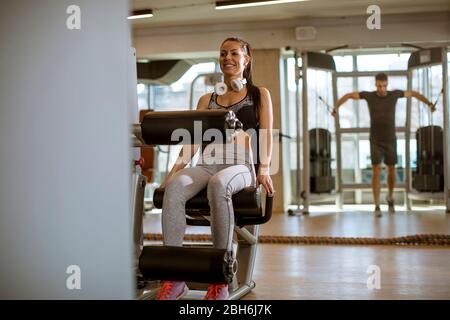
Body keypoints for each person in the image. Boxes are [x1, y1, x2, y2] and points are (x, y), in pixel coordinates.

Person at [156, 37, 275, 300]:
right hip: (207, 163)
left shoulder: (259, 94)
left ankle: (220, 279)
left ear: (247, 59)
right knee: (176, 187)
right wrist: (172, 173)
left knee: (219, 184)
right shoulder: (206, 99)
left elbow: (266, 134)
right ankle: (174, 277)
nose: (228, 58)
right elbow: (191, 142)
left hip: (241, 164)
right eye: (223, 53)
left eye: (234, 53)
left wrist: (264, 169)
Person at [332, 73, 435, 217]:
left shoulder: (394, 95)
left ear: (387, 84)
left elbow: (413, 93)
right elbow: (348, 95)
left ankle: (390, 198)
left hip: (390, 139)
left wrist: (429, 103)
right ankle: (377, 205)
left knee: (391, 170)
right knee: (376, 171)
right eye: (379, 85)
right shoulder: (369, 96)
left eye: (384, 85)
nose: (381, 88)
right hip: (375, 140)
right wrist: (336, 107)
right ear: (375, 84)